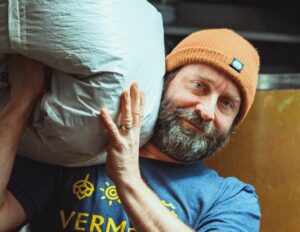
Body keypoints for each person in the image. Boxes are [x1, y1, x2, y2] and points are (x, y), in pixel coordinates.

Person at [0, 28, 260, 231]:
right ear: (164, 84)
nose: (207, 110)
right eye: (199, 86)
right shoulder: (73, 151)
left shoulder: (231, 199)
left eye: (226, 104)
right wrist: (20, 104)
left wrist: (128, 178)